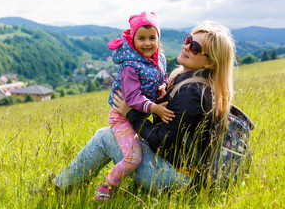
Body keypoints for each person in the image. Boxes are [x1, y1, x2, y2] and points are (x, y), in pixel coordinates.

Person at [49, 20, 235, 200]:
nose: (186, 47)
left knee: (105, 137)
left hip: (178, 179)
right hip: (180, 172)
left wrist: (130, 113)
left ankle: (59, 189)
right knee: (109, 135)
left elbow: (161, 140)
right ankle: (66, 185)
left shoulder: (192, 93)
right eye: (188, 40)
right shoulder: (189, 80)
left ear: (210, 63)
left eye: (195, 47)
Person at [97, 11, 174, 201]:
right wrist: (154, 108)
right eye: (141, 38)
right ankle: (108, 185)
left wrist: (162, 86)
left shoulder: (160, 58)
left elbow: (161, 77)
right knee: (134, 158)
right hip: (122, 117)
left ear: (158, 38)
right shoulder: (130, 66)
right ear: (132, 40)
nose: (147, 43)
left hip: (138, 116)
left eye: (152, 38)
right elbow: (131, 98)